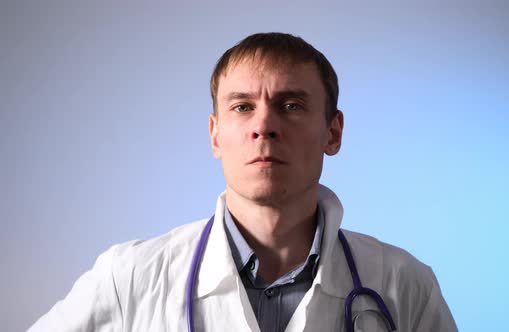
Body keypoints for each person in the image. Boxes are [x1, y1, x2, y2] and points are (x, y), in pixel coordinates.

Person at [28, 32, 458, 332]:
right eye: (242, 107)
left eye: (291, 105)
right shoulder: (130, 280)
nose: (264, 125)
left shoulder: (404, 285)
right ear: (215, 134)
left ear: (333, 132)